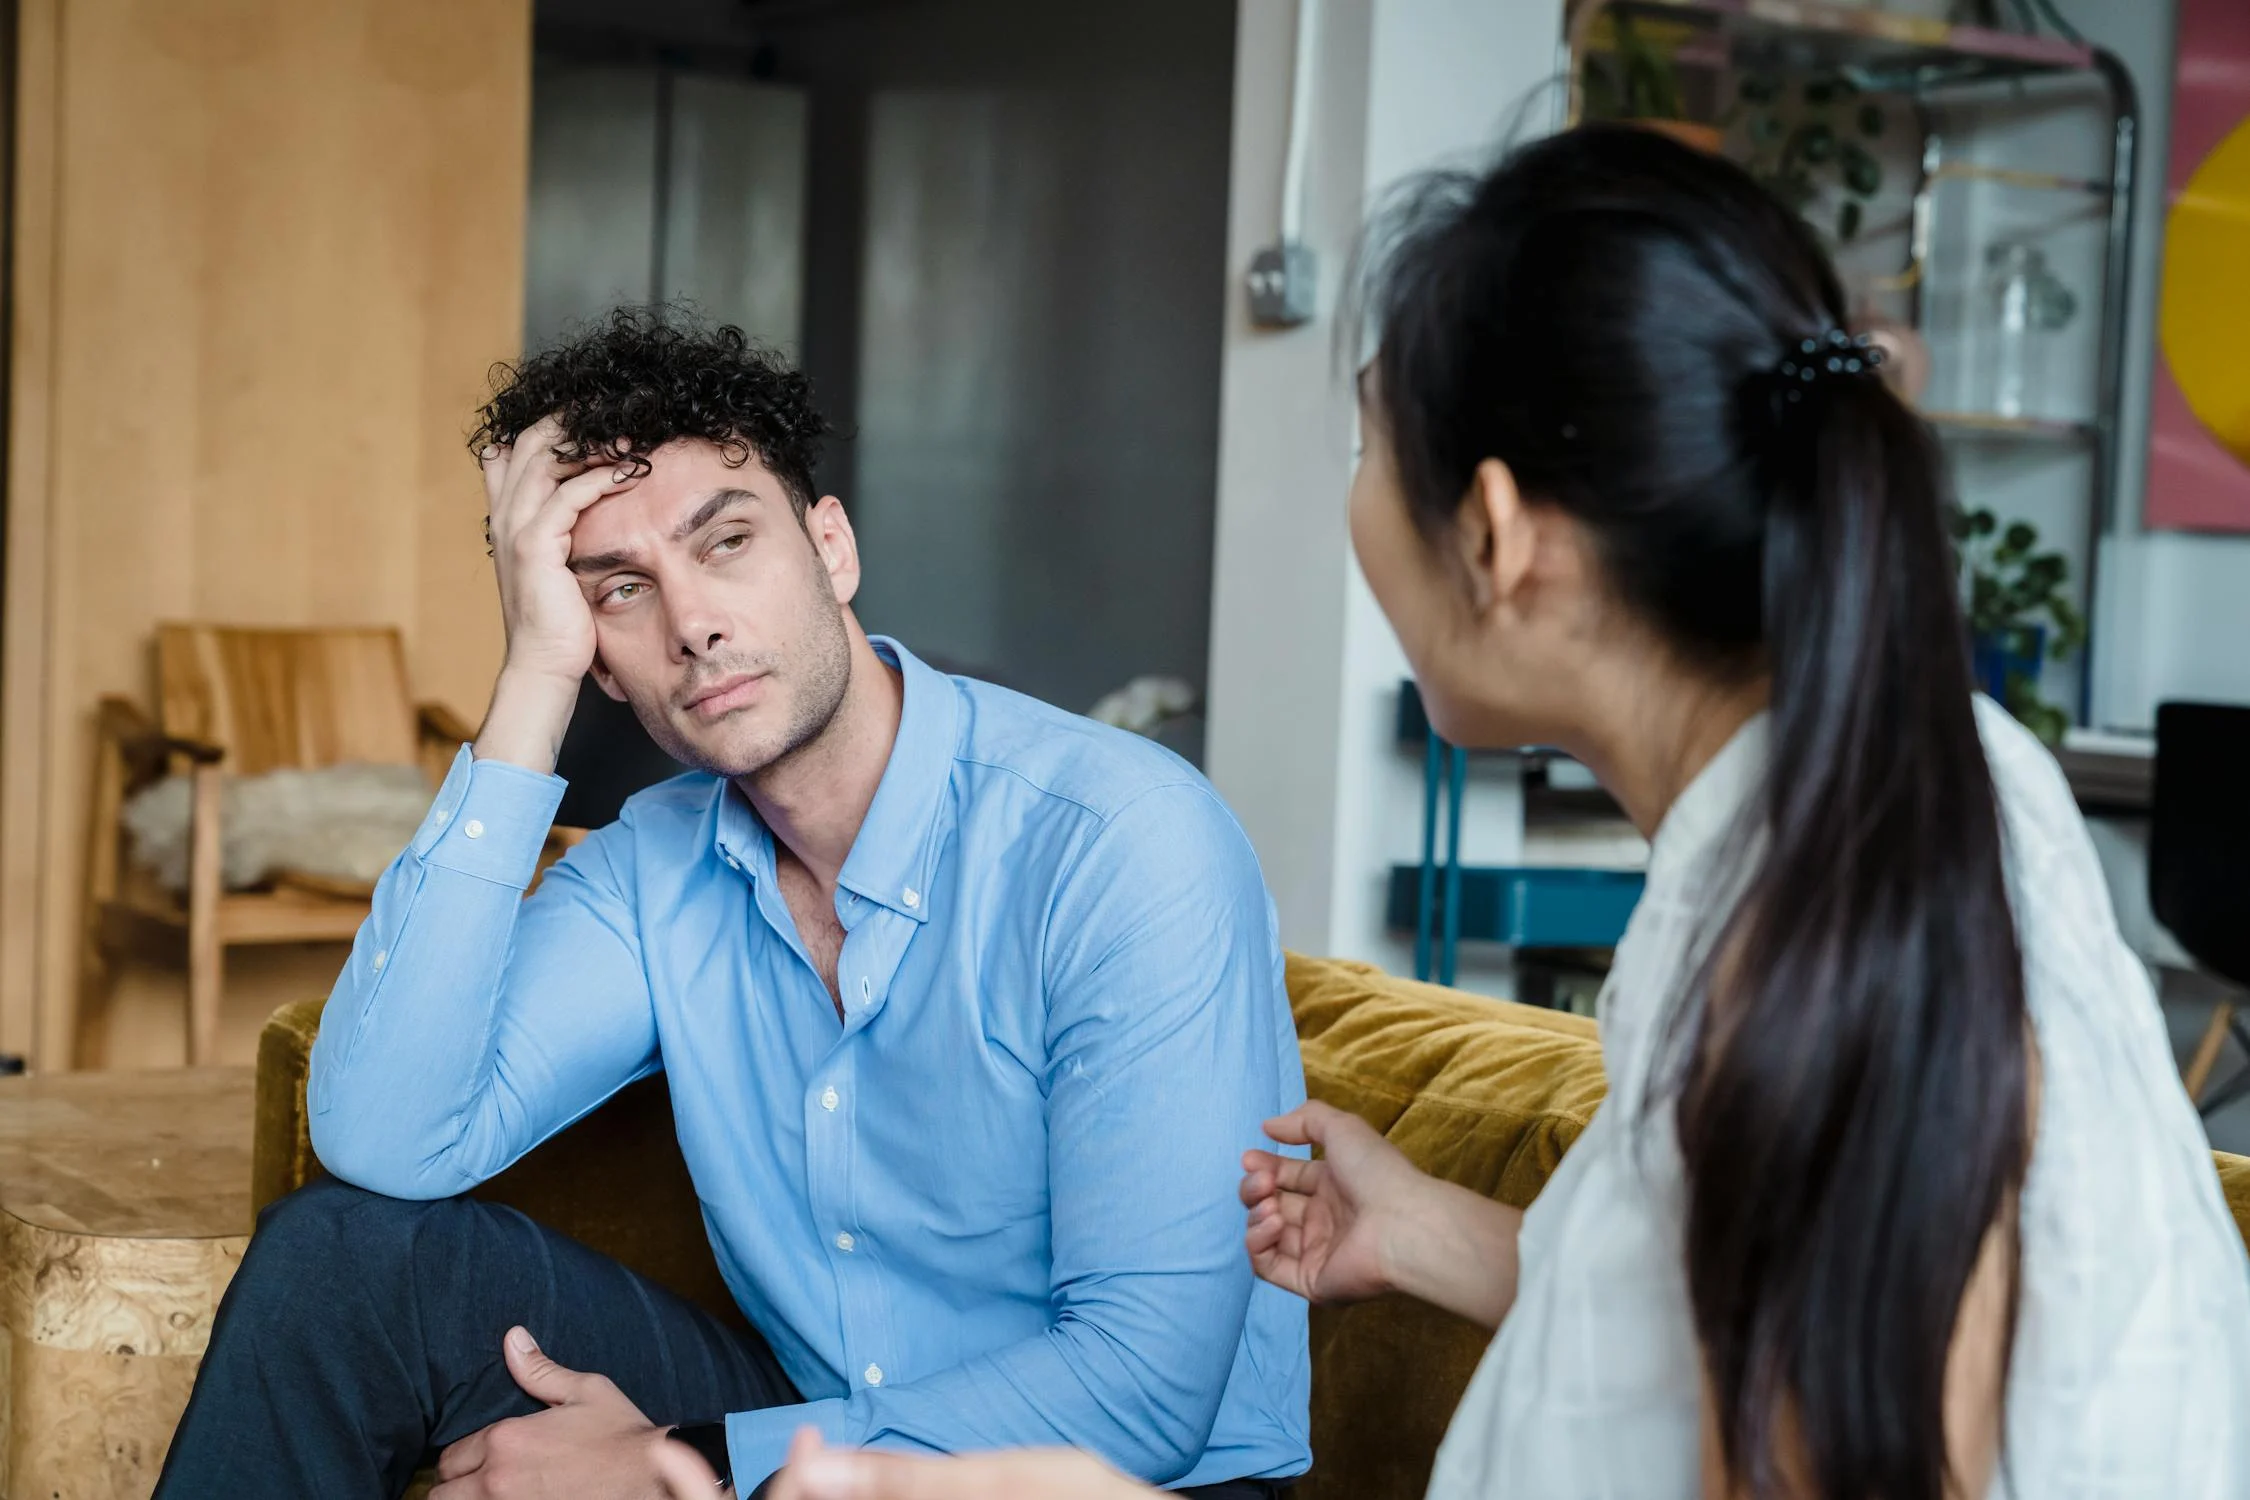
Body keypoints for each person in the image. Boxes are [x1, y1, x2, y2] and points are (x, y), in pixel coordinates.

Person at [711, 124, 2250, 1500]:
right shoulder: (1919, 790)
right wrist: (1438, 1236)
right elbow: (1786, 1309)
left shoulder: (1797, 947)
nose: (1358, 502)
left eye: (1374, 448)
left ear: (1500, 535)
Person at [153, 311, 1311, 1498]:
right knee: (346, 1262)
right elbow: (387, 1136)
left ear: (832, 548)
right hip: (810, 1418)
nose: (693, 623)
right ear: (599, 657)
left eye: (728, 542)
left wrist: (674, 1469)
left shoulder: (1120, 840)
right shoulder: (657, 864)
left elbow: (1146, 1392)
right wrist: (531, 681)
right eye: (620, 590)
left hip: (1117, 1479)